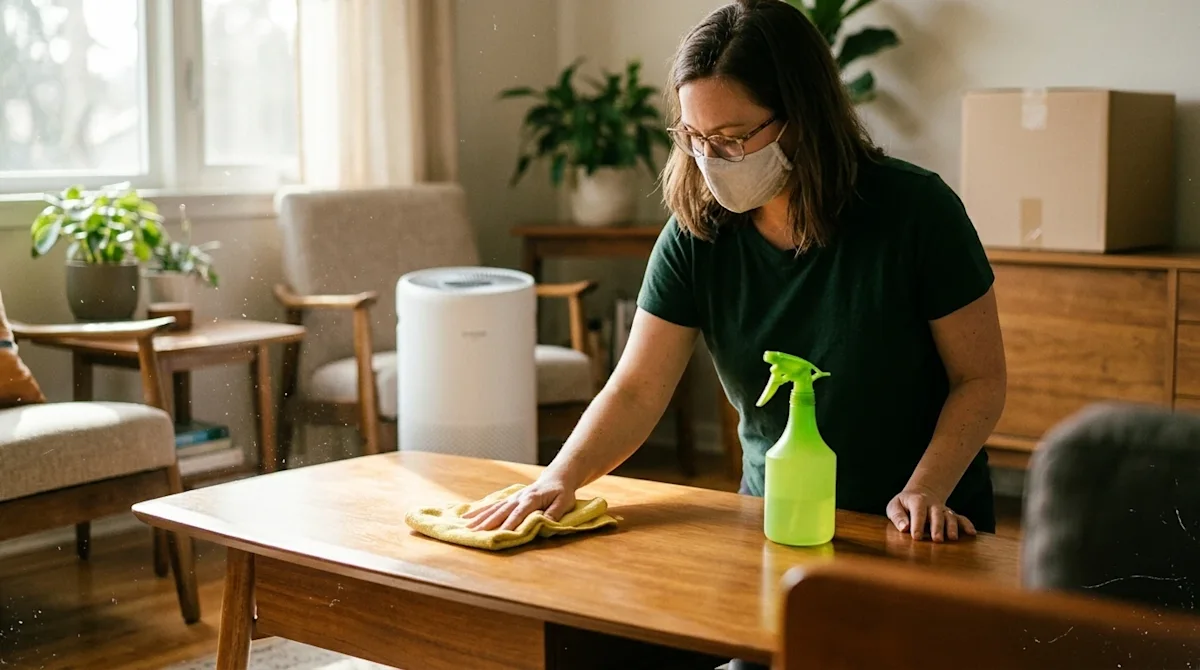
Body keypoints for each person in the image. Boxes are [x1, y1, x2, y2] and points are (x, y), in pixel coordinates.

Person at [473, 0, 1005, 654]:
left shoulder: (917, 212)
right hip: (775, 521)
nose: (711, 157)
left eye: (732, 137)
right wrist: (560, 476)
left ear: (801, 120)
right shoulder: (697, 235)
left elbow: (979, 380)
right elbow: (637, 389)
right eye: (695, 138)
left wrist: (924, 491)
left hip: (921, 522)